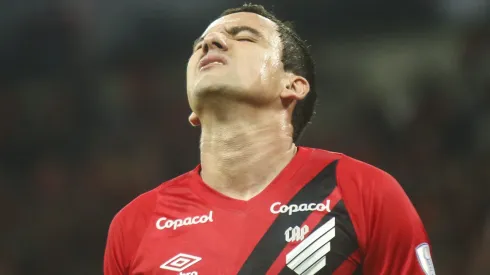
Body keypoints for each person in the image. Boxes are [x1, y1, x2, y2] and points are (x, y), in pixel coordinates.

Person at [104, 4, 435, 275]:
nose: (210, 43)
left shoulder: (362, 192)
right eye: (199, 45)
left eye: (244, 37)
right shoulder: (135, 224)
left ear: (293, 85)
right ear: (193, 111)